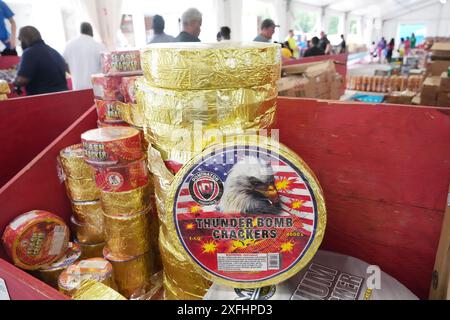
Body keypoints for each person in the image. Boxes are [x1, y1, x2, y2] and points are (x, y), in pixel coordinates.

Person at [14, 26, 68, 96]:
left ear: (25, 39)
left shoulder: (29, 52)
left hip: (43, 99)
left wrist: (16, 82)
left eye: (20, 40)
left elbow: (22, 80)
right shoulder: (54, 51)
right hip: (64, 96)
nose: (20, 44)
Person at [63, 22, 105, 90]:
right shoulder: (99, 46)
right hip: (96, 88)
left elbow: (63, 63)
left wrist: (74, 73)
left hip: (77, 87)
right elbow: (105, 67)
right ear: (91, 31)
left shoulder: (69, 45)